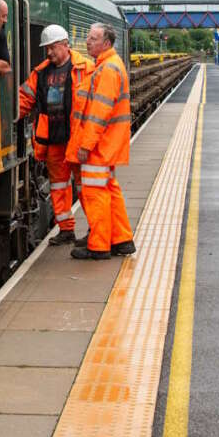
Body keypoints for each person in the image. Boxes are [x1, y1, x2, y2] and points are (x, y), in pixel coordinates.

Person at [18, 24, 94, 245]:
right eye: (47, 48)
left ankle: (94, 229)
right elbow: (24, 100)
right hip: (52, 140)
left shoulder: (85, 68)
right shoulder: (40, 73)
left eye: (52, 47)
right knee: (59, 186)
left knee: (85, 187)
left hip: (77, 139)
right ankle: (66, 229)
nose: (49, 52)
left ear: (65, 45)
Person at [67, 23, 135, 260]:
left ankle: (99, 245)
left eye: (93, 38)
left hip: (100, 145)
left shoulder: (107, 70)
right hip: (109, 143)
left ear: (106, 43)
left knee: (96, 194)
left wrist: (86, 145)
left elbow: (99, 112)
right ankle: (122, 239)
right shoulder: (110, 65)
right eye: (88, 37)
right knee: (110, 190)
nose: (87, 41)